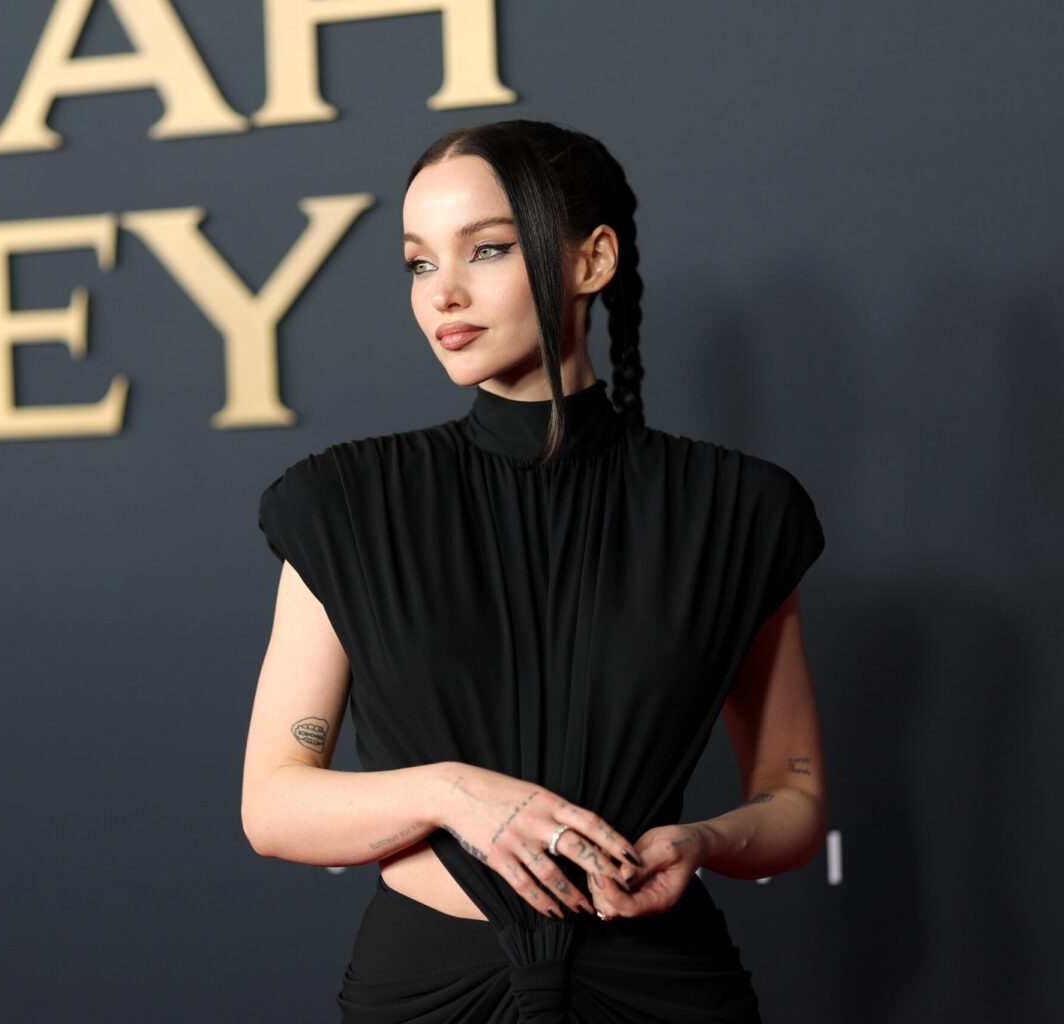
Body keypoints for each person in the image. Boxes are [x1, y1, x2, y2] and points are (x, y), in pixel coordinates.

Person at [240, 119, 827, 1023]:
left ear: (593, 261)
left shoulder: (740, 510)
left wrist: (704, 840)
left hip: (660, 988)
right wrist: (452, 793)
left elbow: (793, 797)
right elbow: (275, 804)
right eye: (420, 263)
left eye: (489, 249)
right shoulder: (343, 502)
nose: (447, 294)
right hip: (425, 991)